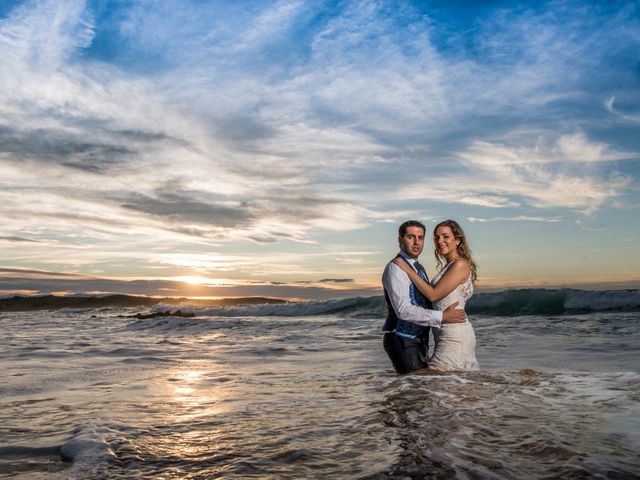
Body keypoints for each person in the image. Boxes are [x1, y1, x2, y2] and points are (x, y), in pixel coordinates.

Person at [392, 219, 479, 371]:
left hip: (455, 336)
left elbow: (433, 295)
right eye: (436, 237)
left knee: (436, 379)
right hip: (444, 334)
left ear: (457, 240)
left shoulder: (460, 264)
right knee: (448, 385)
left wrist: (408, 270)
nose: (440, 241)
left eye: (445, 236)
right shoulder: (450, 266)